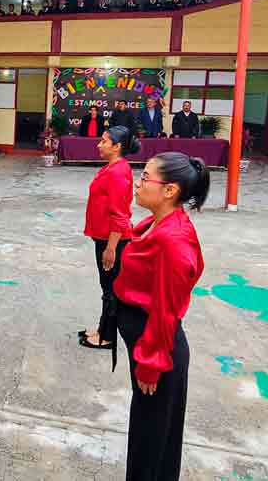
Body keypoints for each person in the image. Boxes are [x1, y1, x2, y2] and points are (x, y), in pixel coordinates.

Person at [112, 152, 207, 481]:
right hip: (147, 339)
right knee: (151, 434)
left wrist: (152, 363)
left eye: (145, 178)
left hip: (158, 350)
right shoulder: (159, 223)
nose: (138, 183)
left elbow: (166, 309)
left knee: (150, 442)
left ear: (170, 190)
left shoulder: (172, 241)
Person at [80, 125, 138, 350]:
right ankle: (103, 329)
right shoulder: (113, 167)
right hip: (104, 236)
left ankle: (107, 336)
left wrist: (111, 248)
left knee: (111, 290)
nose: (99, 144)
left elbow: (120, 214)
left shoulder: (117, 173)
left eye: (104, 141)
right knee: (109, 287)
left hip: (112, 240)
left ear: (117, 147)